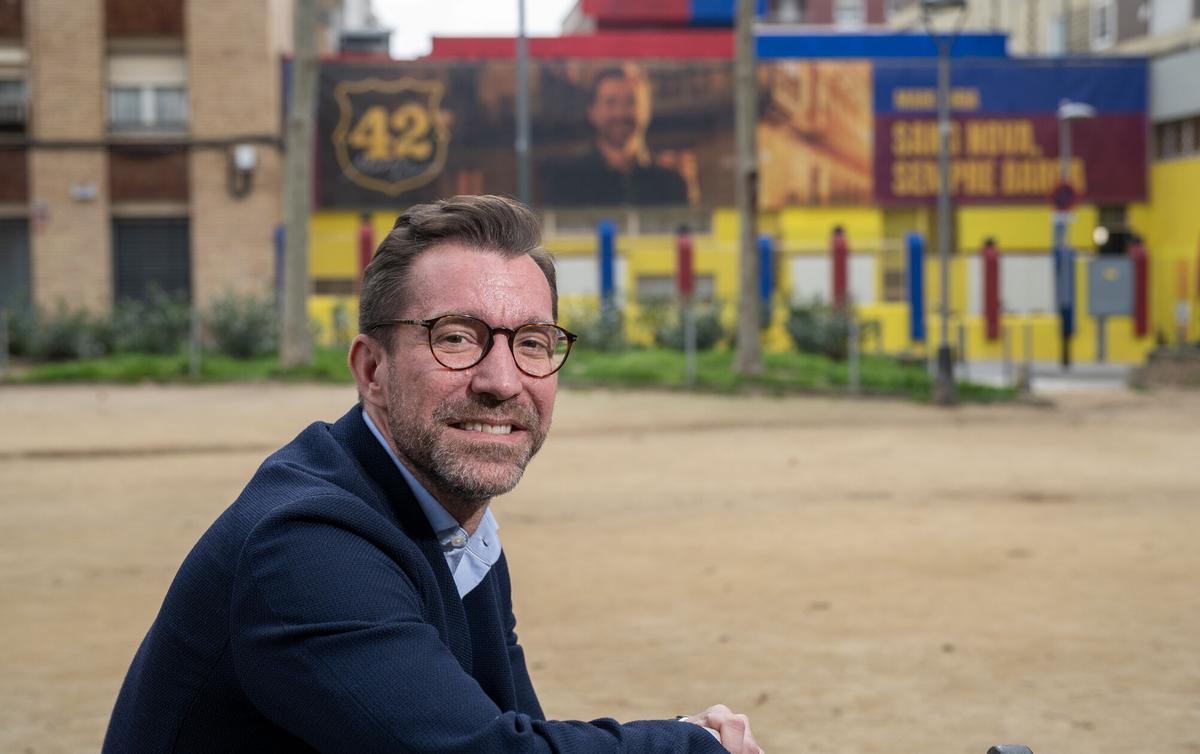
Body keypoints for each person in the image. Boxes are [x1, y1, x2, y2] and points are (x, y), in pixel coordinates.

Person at [103, 195, 762, 753]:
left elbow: (510, 729)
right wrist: (688, 745)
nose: (501, 381)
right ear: (372, 370)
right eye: (455, 337)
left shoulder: (452, 520)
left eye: (532, 343)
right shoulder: (304, 547)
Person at [541, 65, 690, 207]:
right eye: (610, 102)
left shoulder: (672, 184)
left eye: (631, 102)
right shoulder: (566, 182)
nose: (620, 113)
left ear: (647, 110)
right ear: (592, 112)